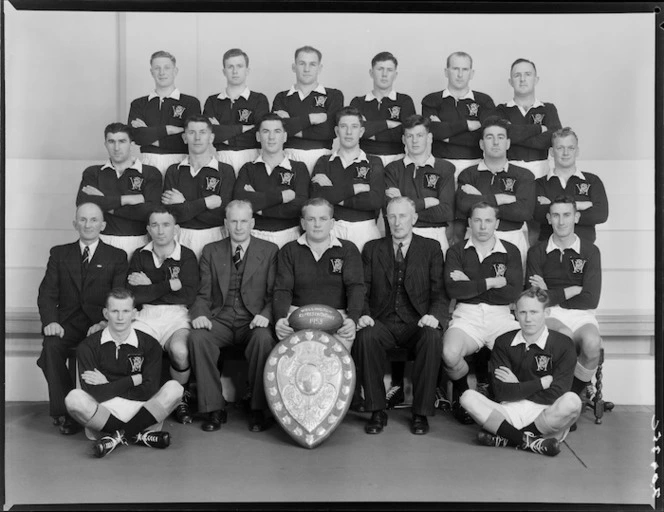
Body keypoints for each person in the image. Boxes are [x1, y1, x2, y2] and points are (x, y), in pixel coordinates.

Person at [353, 197, 448, 435]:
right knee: (365, 336)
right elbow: (361, 288)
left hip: (416, 322)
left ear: (414, 218)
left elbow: (439, 292)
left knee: (432, 337)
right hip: (382, 321)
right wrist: (363, 314)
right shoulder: (372, 249)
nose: (396, 222)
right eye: (391, 216)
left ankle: (420, 413)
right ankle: (376, 410)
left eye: (402, 216)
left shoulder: (431, 248)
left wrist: (435, 316)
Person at [37, 203, 129, 435]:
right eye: (83, 220)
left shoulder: (116, 256)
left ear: (103, 225)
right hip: (66, 324)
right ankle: (66, 411)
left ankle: (98, 411)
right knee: (51, 346)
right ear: (75, 223)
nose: (88, 225)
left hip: (98, 324)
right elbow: (47, 293)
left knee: (101, 349)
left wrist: (105, 323)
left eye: (94, 220)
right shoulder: (59, 253)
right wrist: (51, 321)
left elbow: (118, 296)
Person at [188, 200, 278, 433]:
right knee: (197, 337)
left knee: (263, 339)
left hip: (253, 319)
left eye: (244, 221)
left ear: (252, 223)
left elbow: (274, 294)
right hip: (221, 318)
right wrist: (200, 314)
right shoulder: (211, 250)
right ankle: (214, 407)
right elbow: (202, 293)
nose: (239, 227)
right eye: (234, 221)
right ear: (226, 224)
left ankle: (258, 408)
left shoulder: (269, 251)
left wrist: (266, 315)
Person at [459, 287, 581, 456]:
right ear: (515, 313)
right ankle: (530, 442)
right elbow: (501, 392)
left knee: (572, 402)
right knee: (467, 397)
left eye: (534, 312)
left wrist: (517, 386)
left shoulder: (564, 344)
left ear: (547, 313)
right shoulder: (503, 342)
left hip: (546, 414)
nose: (528, 318)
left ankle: (508, 437)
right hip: (509, 412)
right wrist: (539, 383)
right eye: (522, 312)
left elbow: (557, 393)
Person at [64, 288, 183, 458]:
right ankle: (139, 436)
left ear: (134, 314)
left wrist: (107, 383)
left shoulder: (150, 344)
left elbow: (148, 390)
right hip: (103, 416)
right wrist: (133, 380)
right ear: (106, 313)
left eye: (126, 311)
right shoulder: (88, 346)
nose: (120, 317)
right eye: (115, 311)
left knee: (175, 388)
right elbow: (94, 393)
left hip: (144, 413)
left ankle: (116, 438)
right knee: (73, 399)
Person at [442, 201, 522, 424]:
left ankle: (504, 399)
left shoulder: (510, 251)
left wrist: (472, 284)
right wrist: (492, 282)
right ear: (469, 222)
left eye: (488, 221)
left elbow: (512, 293)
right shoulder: (456, 251)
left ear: (496, 223)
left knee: (522, 353)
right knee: (449, 353)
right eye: (477, 220)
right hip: (467, 315)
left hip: (501, 316)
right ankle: (461, 394)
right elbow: (453, 290)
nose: (483, 226)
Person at [526, 195, 603, 401]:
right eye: (556, 215)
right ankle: (555, 396)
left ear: (576, 217)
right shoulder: (537, 252)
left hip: (581, 314)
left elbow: (590, 299)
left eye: (567, 215)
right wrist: (569, 291)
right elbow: (534, 297)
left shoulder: (591, 251)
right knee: (564, 336)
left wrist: (549, 292)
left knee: (592, 343)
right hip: (549, 313)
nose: (561, 221)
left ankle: (570, 396)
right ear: (549, 218)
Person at [128, 207, 199, 424]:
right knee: (132, 351)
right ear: (148, 229)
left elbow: (187, 294)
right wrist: (169, 284)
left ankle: (180, 398)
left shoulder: (186, 255)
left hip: (177, 315)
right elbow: (136, 296)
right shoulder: (140, 255)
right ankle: (138, 402)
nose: (160, 230)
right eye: (155, 225)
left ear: (176, 229)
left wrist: (152, 284)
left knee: (180, 351)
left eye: (166, 224)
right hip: (146, 314)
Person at [273, 198, 364, 352]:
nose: (317, 224)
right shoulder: (289, 250)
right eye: (311, 219)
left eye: (323, 219)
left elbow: (355, 287)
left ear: (332, 223)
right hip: (297, 315)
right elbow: (283, 289)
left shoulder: (348, 249)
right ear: (302, 223)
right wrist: (280, 318)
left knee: (333, 367)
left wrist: (353, 319)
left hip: (338, 318)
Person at [456, 116, 535, 269]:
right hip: (476, 240)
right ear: (481, 143)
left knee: (514, 289)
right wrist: (500, 199)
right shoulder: (468, 174)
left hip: (512, 238)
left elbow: (524, 212)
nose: (496, 142)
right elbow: (463, 205)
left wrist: (479, 198)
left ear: (508, 143)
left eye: (500, 137)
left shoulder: (524, 175)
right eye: (489, 137)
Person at [76, 123, 163, 261]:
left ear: (131, 144)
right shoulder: (93, 172)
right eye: (111, 141)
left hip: (139, 243)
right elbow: (83, 204)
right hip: (101, 242)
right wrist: (126, 199)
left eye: (122, 141)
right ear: (105, 144)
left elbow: (150, 211)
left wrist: (105, 202)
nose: (116, 147)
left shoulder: (150, 173)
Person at [310, 106, 385, 253]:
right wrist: (355, 189)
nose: (349, 132)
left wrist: (335, 193)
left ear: (361, 131)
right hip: (332, 229)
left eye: (354, 127)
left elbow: (375, 200)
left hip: (365, 229)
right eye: (344, 127)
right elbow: (317, 198)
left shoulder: (374, 162)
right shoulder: (324, 162)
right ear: (337, 131)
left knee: (365, 275)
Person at [162, 115, 235, 259]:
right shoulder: (173, 171)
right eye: (191, 132)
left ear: (211, 137)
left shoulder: (225, 170)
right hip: (181, 236)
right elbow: (172, 214)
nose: (197, 138)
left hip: (215, 235)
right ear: (184, 138)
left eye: (202, 132)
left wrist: (184, 205)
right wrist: (205, 203)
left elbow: (221, 215)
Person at [233, 113, 310, 248]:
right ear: (258, 136)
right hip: (255, 237)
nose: (271, 137)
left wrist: (260, 207)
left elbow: (299, 207)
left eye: (277, 131)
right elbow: (240, 200)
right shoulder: (248, 168)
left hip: (289, 237)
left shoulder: (299, 168)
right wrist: (281, 197)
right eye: (266, 131)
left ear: (285, 136)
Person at [385, 114, 455, 255]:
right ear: (404, 139)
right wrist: (425, 202)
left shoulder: (445, 168)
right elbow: (390, 209)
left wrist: (404, 207)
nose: (415, 141)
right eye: (410, 136)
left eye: (420, 135)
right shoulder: (392, 169)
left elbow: (446, 212)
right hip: (402, 236)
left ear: (429, 138)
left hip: (435, 234)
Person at [421, 51, 495, 180]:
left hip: (475, 165)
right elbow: (433, 132)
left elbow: (484, 137)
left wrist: (447, 135)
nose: (460, 75)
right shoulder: (431, 100)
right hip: (439, 165)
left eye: (465, 69)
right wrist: (466, 125)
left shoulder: (484, 101)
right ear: (446, 71)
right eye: (455, 69)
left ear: (471, 73)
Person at [128, 50, 202, 176]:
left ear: (175, 71)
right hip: (147, 162)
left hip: (181, 162)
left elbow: (190, 138)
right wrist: (168, 130)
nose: (162, 72)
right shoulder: (138, 104)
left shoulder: (190, 103)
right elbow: (136, 136)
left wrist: (149, 134)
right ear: (151, 72)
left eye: (167, 68)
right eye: (157, 68)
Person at [272, 45, 344, 173]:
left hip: (323, 159)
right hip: (287, 158)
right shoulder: (282, 97)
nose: (306, 69)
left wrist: (290, 123)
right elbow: (276, 131)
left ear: (319, 68)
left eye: (312, 64)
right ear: (294, 67)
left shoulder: (334, 96)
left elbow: (329, 131)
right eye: (301, 63)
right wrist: (311, 119)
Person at [534, 128, 608, 243]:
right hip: (548, 253)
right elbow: (538, 214)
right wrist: (582, 205)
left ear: (577, 151)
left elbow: (600, 214)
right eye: (560, 148)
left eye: (570, 148)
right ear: (552, 152)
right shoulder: (539, 184)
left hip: (584, 253)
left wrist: (552, 205)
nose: (566, 153)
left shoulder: (592, 181)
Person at [203, 48, 270, 175]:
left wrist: (223, 134)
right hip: (220, 158)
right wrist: (243, 128)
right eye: (230, 67)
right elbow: (208, 134)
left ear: (247, 70)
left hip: (252, 157)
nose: (235, 71)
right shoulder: (212, 101)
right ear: (224, 71)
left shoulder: (259, 99)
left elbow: (259, 134)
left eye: (239, 66)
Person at [495, 58, 562, 180]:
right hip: (508, 174)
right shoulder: (501, 110)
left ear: (536, 80)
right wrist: (538, 130)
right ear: (510, 81)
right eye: (517, 75)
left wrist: (513, 134)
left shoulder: (548, 109)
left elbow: (553, 140)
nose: (522, 79)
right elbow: (499, 139)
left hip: (541, 174)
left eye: (528, 74)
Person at [349, 51, 416, 167]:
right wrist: (387, 124)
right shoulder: (358, 102)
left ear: (395, 74)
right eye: (380, 69)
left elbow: (406, 132)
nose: (384, 74)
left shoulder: (404, 101)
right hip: (364, 159)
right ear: (371, 73)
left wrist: (370, 129)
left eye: (389, 70)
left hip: (398, 159)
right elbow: (355, 132)